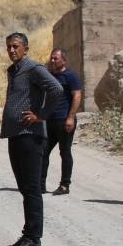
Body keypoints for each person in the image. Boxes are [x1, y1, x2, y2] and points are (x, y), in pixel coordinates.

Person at [0, 32, 64, 246]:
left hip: (31, 135)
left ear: (26, 48)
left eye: (15, 46)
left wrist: (41, 115)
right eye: (8, 46)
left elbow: (56, 89)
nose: (11, 50)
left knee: (32, 189)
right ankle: (27, 235)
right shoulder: (14, 71)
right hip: (15, 134)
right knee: (24, 188)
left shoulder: (34, 68)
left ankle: (34, 240)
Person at [42, 49, 83, 195]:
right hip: (50, 120)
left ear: (64, 61)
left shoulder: (70, 76)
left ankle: (65, 185)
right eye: (51, 58)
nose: (52, 61)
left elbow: (77, 96)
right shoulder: (50, 76)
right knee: (43, 151)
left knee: (64, 152)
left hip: (64, 120)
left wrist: (71, 117)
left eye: (56, 59)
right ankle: (40, 184)